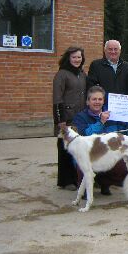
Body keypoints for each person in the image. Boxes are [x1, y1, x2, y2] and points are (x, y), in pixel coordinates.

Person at [72, 86, 128, 196]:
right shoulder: (80, 117)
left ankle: (105, 183)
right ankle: (83, 189)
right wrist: (101, 122)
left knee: (125, 165)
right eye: (94, 99)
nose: (97, 102)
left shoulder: (114, 115)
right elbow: (85, 136)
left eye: (100, 99)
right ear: (88, 102)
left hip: (109, 155)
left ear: (103, 101)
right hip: (88, 155)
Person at [53, 46, 87, 190]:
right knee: (65, 149)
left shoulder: (82, 73)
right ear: (68, 58)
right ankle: (65, 181)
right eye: (74, 57)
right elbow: (57, 98)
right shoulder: (62, 74)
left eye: (79, 57)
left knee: (77, 150)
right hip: (66, 118)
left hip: (79, 118)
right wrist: (60, 120)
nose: (77, 60)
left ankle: (76, 177)